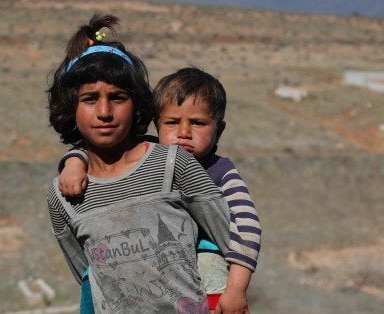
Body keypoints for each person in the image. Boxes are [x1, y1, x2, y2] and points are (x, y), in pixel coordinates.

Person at [47, 14, 233, 313]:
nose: (105, 112)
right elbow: (88, 275)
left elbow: (229, 242)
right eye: (90, 99)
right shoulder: (63, 196)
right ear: (70, 108)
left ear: (137, 105)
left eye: (118, 97)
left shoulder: (174, 163)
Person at [59, 67, 261, 313]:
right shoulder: (153, 156)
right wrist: (74, 162)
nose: (184, 133)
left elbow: (246, 230)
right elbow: (102, 148)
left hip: (207, 285)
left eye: (197, 123)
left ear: (219, 129)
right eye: (172, 123)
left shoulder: (222, 172)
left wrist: (236, 289)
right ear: (157, 124)